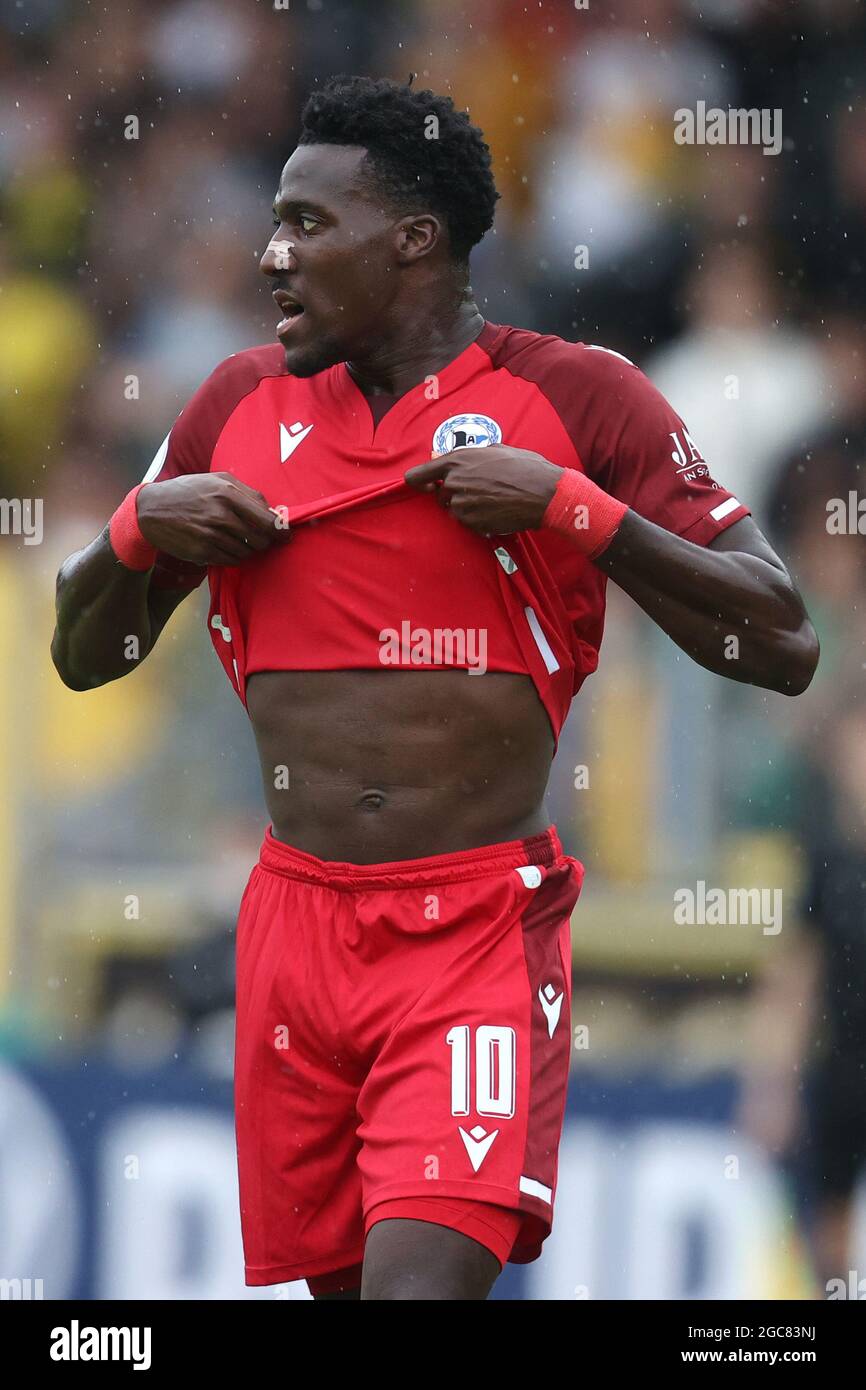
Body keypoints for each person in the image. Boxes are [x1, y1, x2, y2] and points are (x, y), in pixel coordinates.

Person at [51, 76, 819, 1301]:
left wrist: (572, 509)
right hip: (293, 928)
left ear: (412, 239)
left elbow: (780, 638)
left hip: (466, 933)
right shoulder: (235, 405)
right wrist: (141, 529)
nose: (270, 255)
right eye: (273, 223)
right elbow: (85, 654)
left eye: (306, 224)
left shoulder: (572, 397)